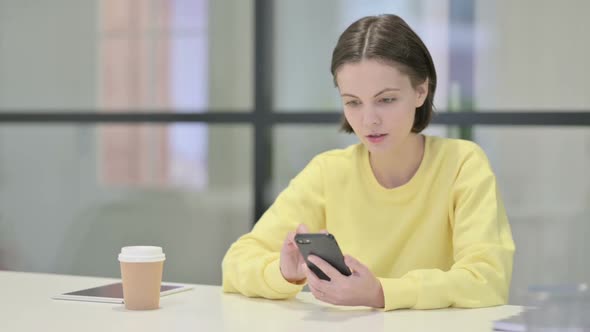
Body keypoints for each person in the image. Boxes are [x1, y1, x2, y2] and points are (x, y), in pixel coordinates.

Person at [222, 14, 515, 311]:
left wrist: (381, 293)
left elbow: (487, 279)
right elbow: (236, 262)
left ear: (420, 91)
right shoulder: (329, 171)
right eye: (353, 102)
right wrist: (284, 273)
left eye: (386, 100)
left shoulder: (462, 164)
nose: (369, 120)